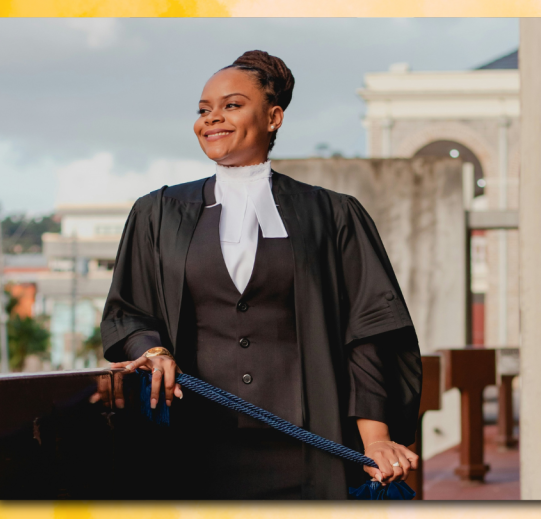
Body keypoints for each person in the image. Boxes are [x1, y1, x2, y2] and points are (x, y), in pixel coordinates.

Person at [99, 50, 422, 500]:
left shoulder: (333, 214)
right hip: (194, 446)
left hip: (311, 446)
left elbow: (369, 331)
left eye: (231, 105)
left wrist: (375, 440)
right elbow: (128, 312)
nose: (212, 118)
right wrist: (153, 351)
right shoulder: (157, 213)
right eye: (203, 109)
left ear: (274, 117)